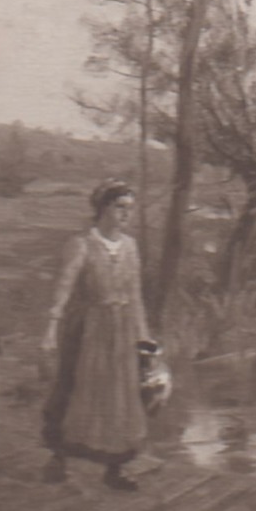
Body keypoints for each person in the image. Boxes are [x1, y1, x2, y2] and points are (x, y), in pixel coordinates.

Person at [40, 180, 154, 491]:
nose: (126, 214)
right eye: (120, 207)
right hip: (87, 327)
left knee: (120, 397)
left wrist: (145, 340)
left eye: (130, 209)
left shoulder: (130, 247)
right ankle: (59, 458)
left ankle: (115, 468)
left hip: (122, 330)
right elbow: (63, 287)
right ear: (103, 208)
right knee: (73, 386)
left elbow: (136, 294)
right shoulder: (82, 243)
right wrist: (52, 325)